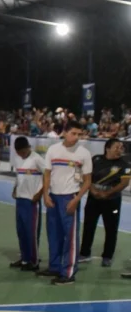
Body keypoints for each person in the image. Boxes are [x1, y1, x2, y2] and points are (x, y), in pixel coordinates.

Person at [40, 121, 92, 285]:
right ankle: (55, 267)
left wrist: (76, 199)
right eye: (73, 133)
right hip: (53, 198)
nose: (76, 137)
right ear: (64, 132)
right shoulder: (53, 150)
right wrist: (45, 195)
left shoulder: (83, 153)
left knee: (70, 237)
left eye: (79, 134)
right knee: (53, 234)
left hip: (70, 197)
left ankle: (68, 272)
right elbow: (47, 174)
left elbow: (87, 181)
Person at [78, 138, 129, 267]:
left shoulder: (125, 164)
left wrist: (107, 193)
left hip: (113, 201)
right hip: (93, 198)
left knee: (111, 229)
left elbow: (124, 183)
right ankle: (84, 254)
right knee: (89, 226)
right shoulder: (96, 160)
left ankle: (107, 256)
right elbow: (86, 176)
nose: (120, 150)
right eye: (117, 147)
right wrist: (92, 189)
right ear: (107, 148)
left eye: (121, 147)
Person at [11, 137, 44, 272]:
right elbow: (19, 176)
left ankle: (34, 261)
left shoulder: (38, 159)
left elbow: (49, 176)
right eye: (19, 152)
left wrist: (40, 193)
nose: (21, 155)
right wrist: (15, 188)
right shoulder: (18, 159)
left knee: (31, 232)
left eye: (23, 152)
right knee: (21, 231)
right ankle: (25, 258)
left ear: (28, 147)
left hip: (32, 201)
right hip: (20, 199)